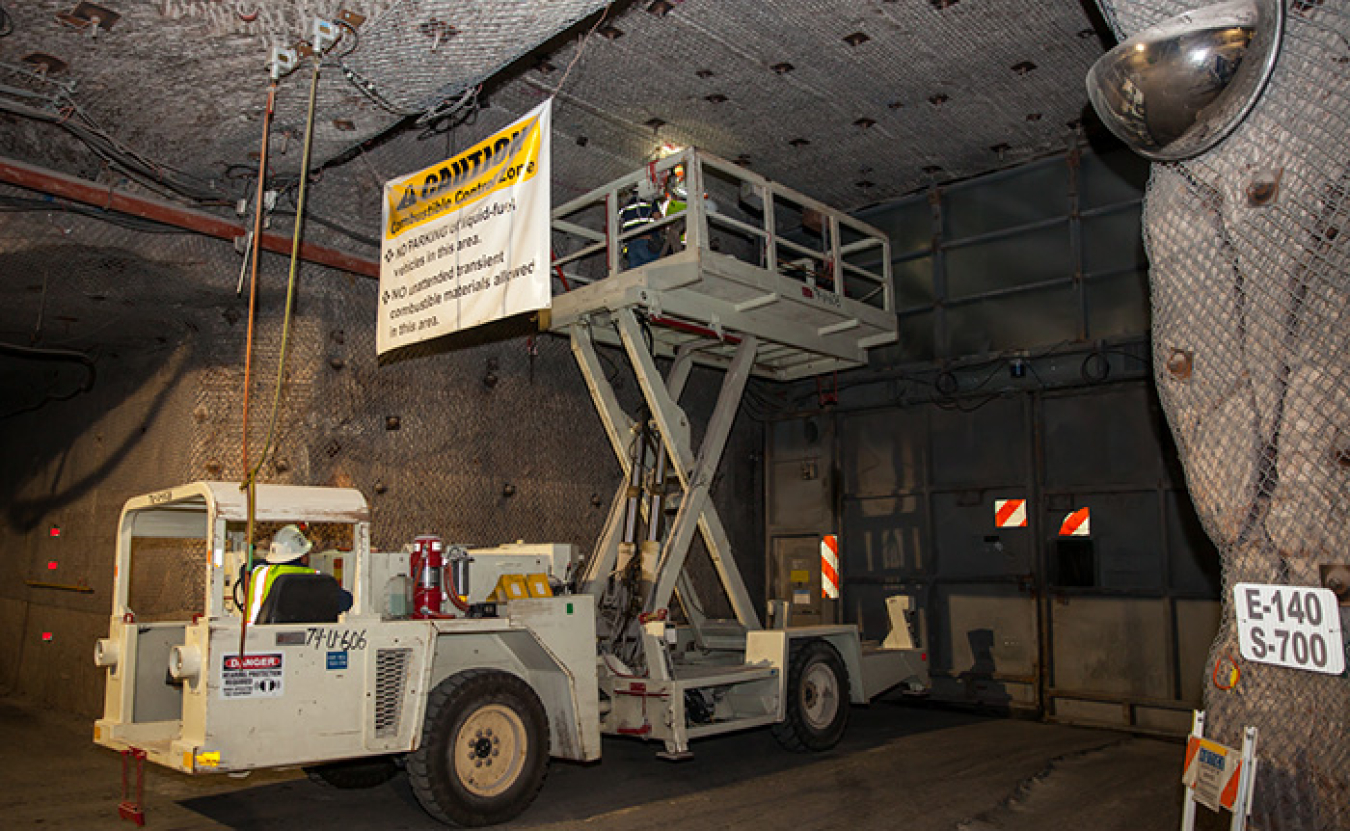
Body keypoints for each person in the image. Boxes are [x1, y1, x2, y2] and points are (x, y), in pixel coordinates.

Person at [245, 524, 351, 623]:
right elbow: (346, 601)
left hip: (255, 637)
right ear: (303, 557)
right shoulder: (315, 578)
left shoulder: (260, 572)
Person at [619, 188, 662, 269]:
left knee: (637, 276)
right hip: (646, 242)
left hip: (631, 246)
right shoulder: (648, 200)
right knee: (656, 270)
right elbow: (658, 217)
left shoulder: (623, 207)